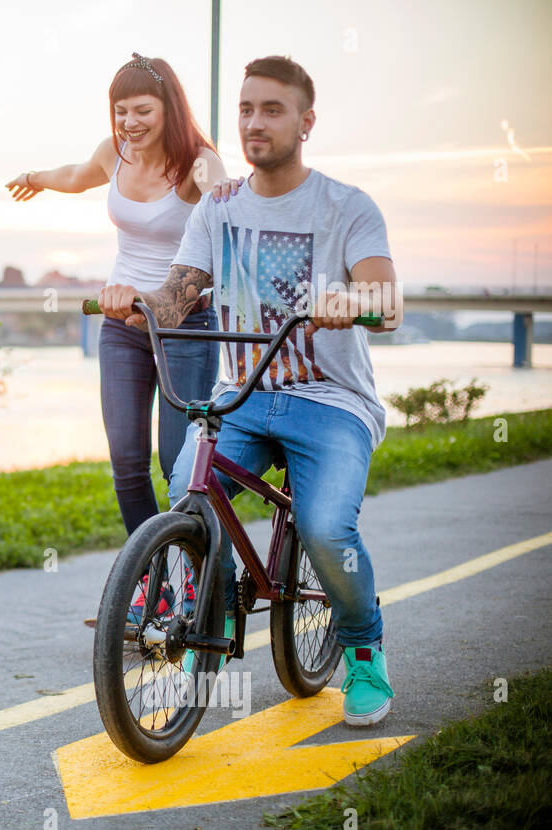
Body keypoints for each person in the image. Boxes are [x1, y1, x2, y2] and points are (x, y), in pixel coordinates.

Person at [97, 55, 402, 727]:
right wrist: (135, 302)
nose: (254, 123)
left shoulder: (346, 207)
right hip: (245, 396)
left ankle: (362, 652)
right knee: (189, 494)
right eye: (245, 110)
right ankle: (219, 601)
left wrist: (352, 299)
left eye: (271, 110)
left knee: (326, 527)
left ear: (305, 121)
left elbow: (388, 299)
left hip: (331, 402)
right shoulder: (218, 207)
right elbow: (176, 299)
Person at [7, 53, 228, 542]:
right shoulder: (115, 153)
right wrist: (36, 179)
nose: (130, 123)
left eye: (143, 110)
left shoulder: (199, 163)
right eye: (121, 110)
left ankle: (202, 580)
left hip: (184, 326)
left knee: (179, 466)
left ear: (169, 106)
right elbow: (77, 174)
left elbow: (229, 222)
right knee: (128, 463)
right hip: (121, 323)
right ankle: (151, 585)